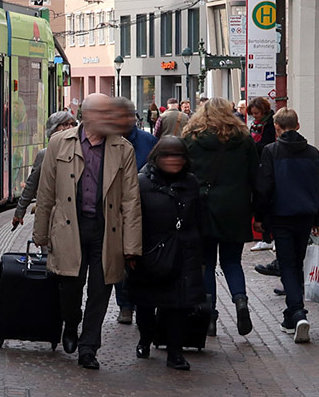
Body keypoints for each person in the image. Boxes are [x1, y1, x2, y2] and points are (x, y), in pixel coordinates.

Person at [32, 92, 143, 370]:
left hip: (107, 230)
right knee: (69, 286)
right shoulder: (59, 143)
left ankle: (89, 347)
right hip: (69, 227)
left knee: (100, 289)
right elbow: (46, 192)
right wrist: (41, 235)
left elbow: (131, 200)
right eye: (104, 114)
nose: (110, 119)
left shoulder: (123, 149)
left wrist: (131, 246)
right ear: (88, 116)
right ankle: (71, 322)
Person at [182, 98, 259, 337]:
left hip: (203, 208)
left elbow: (182, 173)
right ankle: (240, 300)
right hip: (235, 208)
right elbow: (256, 177)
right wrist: (257, 211)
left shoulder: (192, 139)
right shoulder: (244, 140)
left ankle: (210, 316)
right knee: (232, 262)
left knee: (206, 263)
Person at [129, 137, 208, 371]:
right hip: (151, 252)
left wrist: (199, 248)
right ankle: (145, 338)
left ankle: (175, 352)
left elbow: (199, 217)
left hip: (184, 252)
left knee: (179, 306)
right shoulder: (141, 182)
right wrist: (132, 251)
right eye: (168, 156)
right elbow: (133, 219)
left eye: (179, 156)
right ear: (157, 158)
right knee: (146, 303)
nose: (174, 161)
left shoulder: (191, 183)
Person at [255, 108, 319, 343]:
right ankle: (291, 315)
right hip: (305, 215)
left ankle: (297, 311)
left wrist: (261, 216)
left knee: (287, 264)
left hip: (281, 215)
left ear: (276, 127)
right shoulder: (312, 153)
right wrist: (318, 218)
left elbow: (265, 187)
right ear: (297, 126)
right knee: (296, 263)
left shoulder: (271, 151)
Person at [111, 98, 159, 325]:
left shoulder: (149, 141)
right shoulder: (106, 141)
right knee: (120, 261)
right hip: (116, 210)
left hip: (146, 209)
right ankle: (125, 305)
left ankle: (142, 304)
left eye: (126, 116)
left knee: (141, 260)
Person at [12, 110, 77, 230]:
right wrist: (19, 212)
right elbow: (31, 185)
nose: (70, 128)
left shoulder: (80, 152)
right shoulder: (45, 154)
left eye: (72, 124)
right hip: (52, 216)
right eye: (64, 124)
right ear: (53, 130)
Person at [246, 97, 277, 254]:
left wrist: (253, 145)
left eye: (257, 113)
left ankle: (268, 237)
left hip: (265, 165)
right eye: (253, 114)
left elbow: (269, 145)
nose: (255, 116)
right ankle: (266, 237)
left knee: (265, 199)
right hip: (257, 163)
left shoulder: (270, 124)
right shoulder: (256, 124)